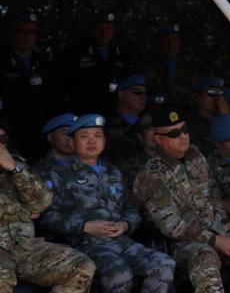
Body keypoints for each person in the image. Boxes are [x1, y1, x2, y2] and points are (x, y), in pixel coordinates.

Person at [134, 106, 230, 293]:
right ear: (158, 139)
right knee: (206, 262)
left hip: (217, 230)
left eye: (185, 130)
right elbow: (173, 227)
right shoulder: (152, 176)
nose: (183, 136)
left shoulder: (195, 157)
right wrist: (214, 240)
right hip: (183, 243)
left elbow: (211, 196)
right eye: (174, 133)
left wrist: (224, 223)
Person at [41, 114, 175, 293]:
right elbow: (46, 217)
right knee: (120, 274)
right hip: (83, 245)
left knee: (164, 264)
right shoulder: (59, 175)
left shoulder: (113, 172)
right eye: (84, 136)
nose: (91, 141)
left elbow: (131, 208)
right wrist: (84, 226)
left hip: (119, 241)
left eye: (97, 136)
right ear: (72, 143)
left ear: (104, 141)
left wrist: (125, 224)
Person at [0, 121, 96, 291]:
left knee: (81, 266)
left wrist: (14, 169)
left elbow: (42, 202)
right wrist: (22, 211)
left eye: (1, 138)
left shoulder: (13, 164)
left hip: (23, 245)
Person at [0, 10, 53, 157]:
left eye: (33, 32)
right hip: (10, 136)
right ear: (12, 34)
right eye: (23, 31)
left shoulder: (43, 63)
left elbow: (53, 98)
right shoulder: (2, 61)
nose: (28, 36)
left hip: (40, 135)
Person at [105, 73, 147, 166]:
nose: (143, 97)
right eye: (137, 92)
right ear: (121, 95)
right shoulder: (106, 127)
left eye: (145, 93)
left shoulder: (150, 124)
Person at [31, 112, 76, 192]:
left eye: (74, 134)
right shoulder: (38, 169)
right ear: (50, 137)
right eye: (65, 133)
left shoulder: (87, 164)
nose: (70, 138)